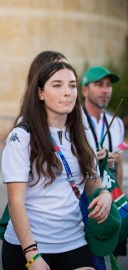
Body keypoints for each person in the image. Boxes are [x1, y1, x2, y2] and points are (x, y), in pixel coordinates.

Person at [1, 61, 114, 270]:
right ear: (40, 93)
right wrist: (32, 254)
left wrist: (105, 194)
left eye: (72, 85)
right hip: (28, 248)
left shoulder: (84, 135)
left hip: (74, 242)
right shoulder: (22, 137)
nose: (67, 92)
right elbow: (15, 201)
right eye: (57, 85)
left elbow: (92, 182)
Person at [81, 65, 126, 258]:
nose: (105, 90)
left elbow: (119, 165)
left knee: (109, 253)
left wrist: (117, 194)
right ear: (84, 90)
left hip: (107, 197)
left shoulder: (115, 122)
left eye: (108, 85)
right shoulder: (74, 119)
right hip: (82, 200)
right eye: (99, 84)